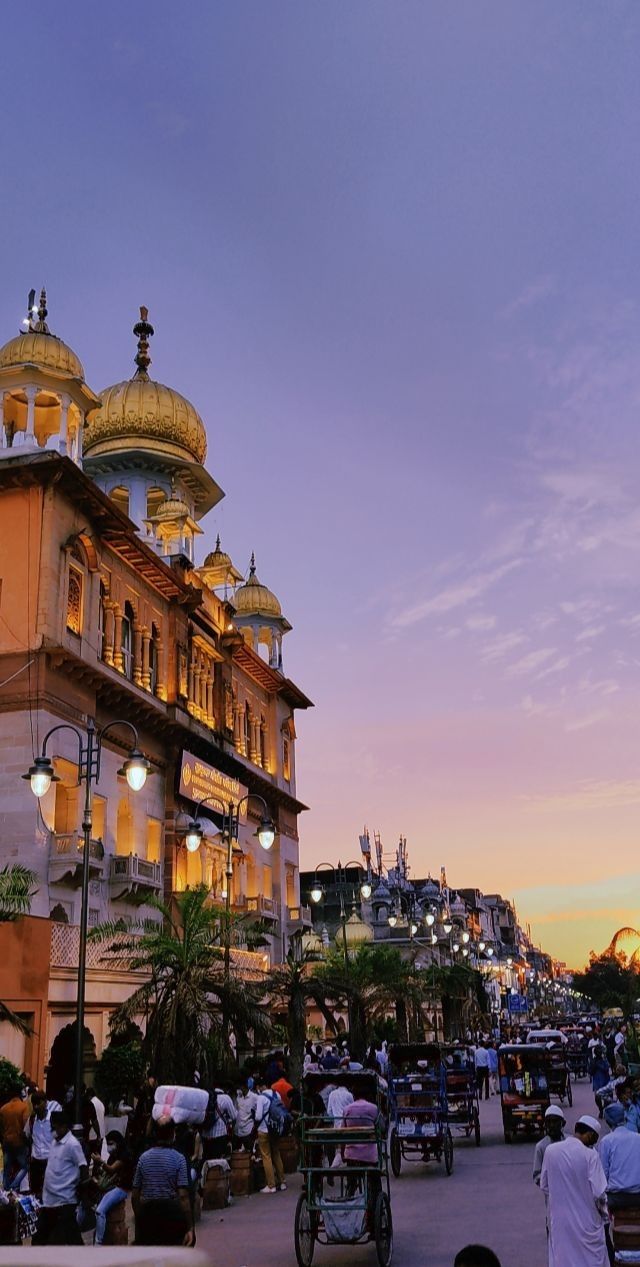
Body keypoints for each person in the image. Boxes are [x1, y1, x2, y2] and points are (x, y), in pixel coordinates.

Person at [540, 1114, 608, 1267]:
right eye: (595, 1139)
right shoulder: (591, 1156)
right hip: (588, 1223)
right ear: (590, 1134)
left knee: (563, 1258)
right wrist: (605, 1217)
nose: (594, 1143)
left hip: (560, 1221)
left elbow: (544, 1185)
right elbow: (599, 1194)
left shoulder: (550, 1151)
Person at [131, 1115, 194, 1246]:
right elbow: (183, 1196)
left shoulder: (143, 1159)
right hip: (171, 1215)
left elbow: (135, 1195)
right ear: (173, 1133)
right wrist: (190, 1226)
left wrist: (140, 1218)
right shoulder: (179, 1159)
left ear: (155, 1134)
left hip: (148, 1215)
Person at [32, 1109, 88, 1246]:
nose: (52, 1130)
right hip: (50, 1200)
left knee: (69, 1237)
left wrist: (83, 1193)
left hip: (64, 1200)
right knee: (39, 1236)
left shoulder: (72, 1144)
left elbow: (83, 1167)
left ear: (63, 1127)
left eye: (54, 1127)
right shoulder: (54, 1142)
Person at [92, 1129, 134, 1245]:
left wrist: (100, 1161)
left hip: (122, 1189)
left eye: (111, 1143)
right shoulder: (112, 1156)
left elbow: (111, 1169)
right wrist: (97, 1164)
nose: (109, 1147)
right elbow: (105, 1172)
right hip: (113, 1186)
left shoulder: (124, 1155)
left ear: (118, 1143)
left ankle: (98, 1243)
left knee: (100, 1211)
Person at [599, 1102, 640, 1208]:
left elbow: (603, 1173)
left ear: (608, 1121)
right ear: (624, 1117)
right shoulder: (638, 1138)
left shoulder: (606, 1141)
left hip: (615, 1198)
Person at [25, 1089, 61, 1199]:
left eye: (38, 1103)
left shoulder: (53, 1120)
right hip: (36, 1163)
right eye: (34, 1104)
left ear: (45, 1102)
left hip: (49, 1163)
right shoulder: (31, 1120)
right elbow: (26, 1135)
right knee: (35, 1192)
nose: (36, 1107)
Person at [255, 1078, 286, 1193]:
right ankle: (282, 1182)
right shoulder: (276, 1094)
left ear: (260, 1086)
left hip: (264, 1130)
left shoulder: (260, 1098)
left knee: (266, 1156)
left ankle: (271, 1185)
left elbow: (258, 1116)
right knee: (276, 1154)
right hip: (275, 1129)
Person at [0, 1081, 30, 1191]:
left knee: (7, 1168)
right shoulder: (23, 1107)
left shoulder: (3, 1108)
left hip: (6, 1141)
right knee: (25, 1167)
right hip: (19, 1142)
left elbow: (1, 1127)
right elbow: (26, 1126)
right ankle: (14, 1186)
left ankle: (5, 1190)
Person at [202, 1084, 237, 1159]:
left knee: (207, 1159)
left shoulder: (206, 1096)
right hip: (219, 1134)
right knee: (217, 1160)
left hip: (205, 1134)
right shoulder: (225, 1098)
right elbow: (234, 1116)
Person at [533, 1105, 566, 1186]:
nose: (551, 1125)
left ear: (563, 1123)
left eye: (555, 1122)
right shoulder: (541, 1147)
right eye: (549, 1122)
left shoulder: (570, 1142)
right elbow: (536, 1175)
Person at [234, 1081, 259, 1151]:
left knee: (249, 1151)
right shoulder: (238, 1097)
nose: (238, 1090)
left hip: (248, 1129)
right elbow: (236, 1110)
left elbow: (259, 1111)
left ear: (244, 1087)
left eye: (239, 1088)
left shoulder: (254, 1097)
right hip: (238, 1130)